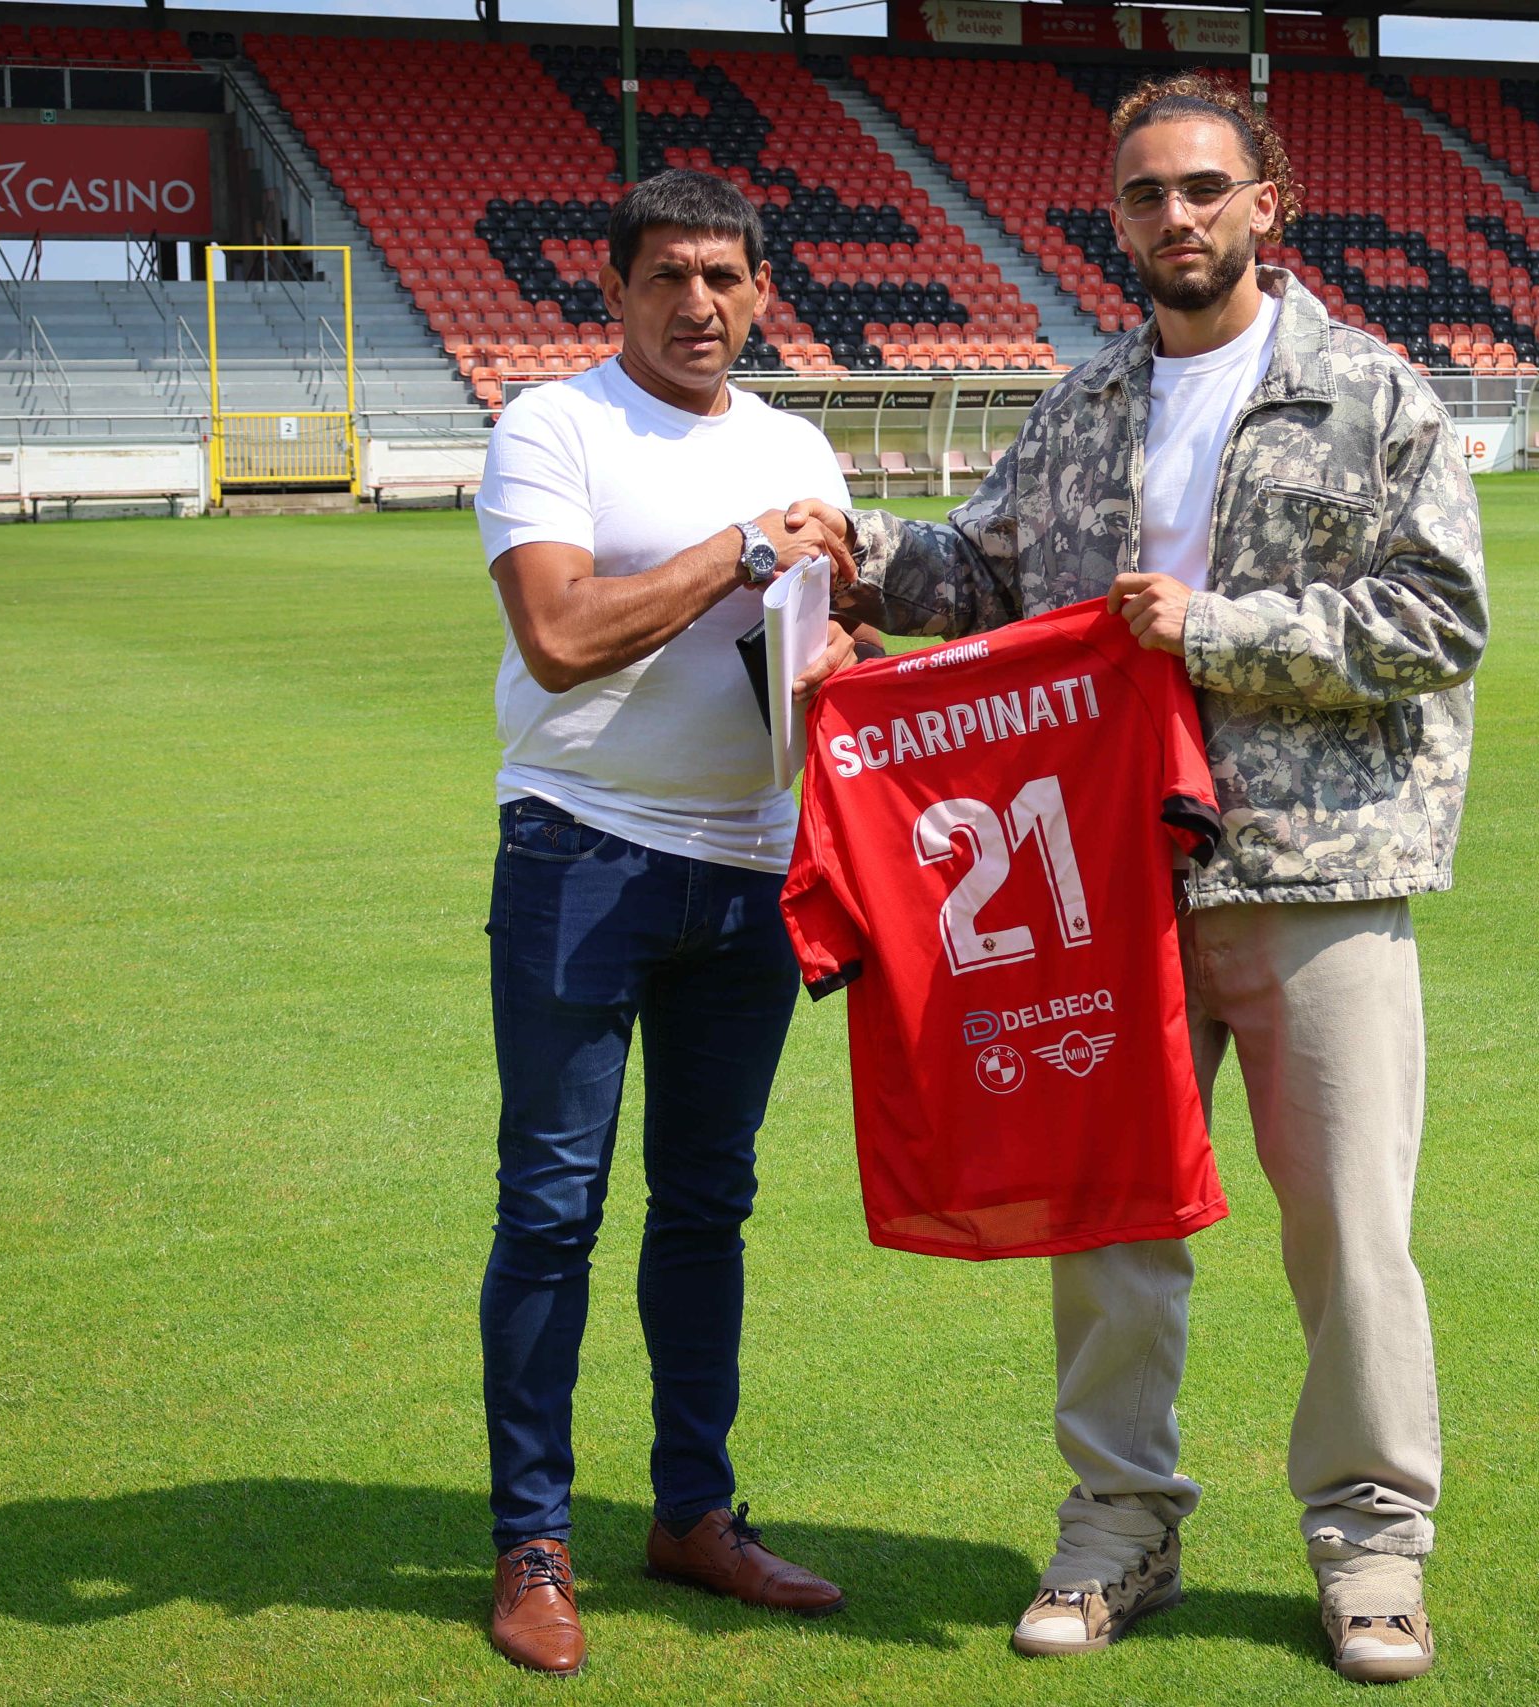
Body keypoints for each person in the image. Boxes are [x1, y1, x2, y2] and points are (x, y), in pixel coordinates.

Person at [800, 76, 1488, 1684]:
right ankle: (1120, 1524)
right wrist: (856, 550)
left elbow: (1440, 620)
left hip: (1313, 874)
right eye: (1144, 195)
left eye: (1201, 188)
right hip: (1111, 880)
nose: (1174, 217)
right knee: (1109, 1222)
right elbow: (983, 573)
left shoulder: (1368, 391)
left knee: (1350, 1234)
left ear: (1265, 203)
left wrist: (1216, 629)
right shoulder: (1087, 401)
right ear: (1116, 218)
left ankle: (1373, 1545)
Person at [471, 168, 863, 1677]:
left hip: (753, 867)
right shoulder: (553, 426)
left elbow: (820, 641)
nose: (698, 304)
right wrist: (743, 551)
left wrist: (858, 655)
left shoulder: (796, 444)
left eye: (723, 276)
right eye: (667, 276)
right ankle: (534, 1541)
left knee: (708, 1205)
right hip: (581, 850)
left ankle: (693, 1513)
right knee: (550, 1208)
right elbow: (559, 636)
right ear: (616, 290)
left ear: (762, 291)